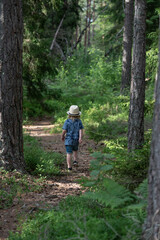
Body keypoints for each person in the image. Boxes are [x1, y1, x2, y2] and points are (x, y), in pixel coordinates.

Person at [61, 105, 84, 171]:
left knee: (69, 153)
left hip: (68, 140)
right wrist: (80, 138)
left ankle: (69, 167)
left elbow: (64, 130)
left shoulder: (67, 121)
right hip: (76, 139)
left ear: (69, 114)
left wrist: (62, 136)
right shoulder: (79, 121)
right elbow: (80, 130)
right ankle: (75, 161)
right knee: (75, 150)